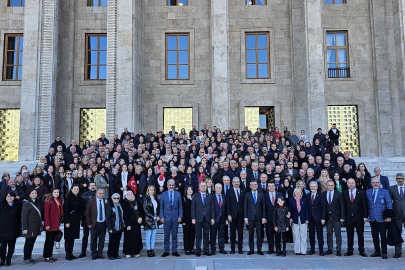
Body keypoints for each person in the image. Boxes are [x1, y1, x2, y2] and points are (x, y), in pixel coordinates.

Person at [366, 177, 392, 259]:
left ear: (380, 183)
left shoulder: (385, 192)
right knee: (374, 236)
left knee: (383, 236)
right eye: (373, 182)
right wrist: (367, 216)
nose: (375, 184)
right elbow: (366, 205)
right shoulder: (367, 192)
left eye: (377, 182)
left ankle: (384, 252)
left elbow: (389, 204)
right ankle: (377, 251)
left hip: (382, 218)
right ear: (371, 184)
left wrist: (389, 216)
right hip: (372, 218)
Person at [342, 178, 368, 257]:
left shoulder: (361, 193)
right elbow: (343, 206)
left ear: (355, 183)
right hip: (349, 218)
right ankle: (350, 250)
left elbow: (365, 206)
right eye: (349, 183)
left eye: (352, 183)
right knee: (349, 235)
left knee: (360, 234)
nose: (351, 184)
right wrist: (343, 217)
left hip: (359, 218)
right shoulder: (344, 193)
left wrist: (365, 217)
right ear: (347, 184)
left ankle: (361, 250)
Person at [191, 181, 215, 257]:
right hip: (198, 218)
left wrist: (212, 218)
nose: (203, 187)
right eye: (202, 186)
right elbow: (193, 208)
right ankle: (198, 250)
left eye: (204, 186)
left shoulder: (210, 196)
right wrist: (193, 218)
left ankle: (206, 250)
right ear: (199, 187)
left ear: (207, 186)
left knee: (206, 235)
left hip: (207, 218)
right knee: (198, 235)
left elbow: (212, 208)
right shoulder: (196, 195)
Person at [160, 180, 182, 257]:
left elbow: (180, 206)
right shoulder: (163, 194)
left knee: (175, 235)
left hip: (175, 218)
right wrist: (161, 217)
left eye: (172, 185)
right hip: (166, 218)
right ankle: (166, 250)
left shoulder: (178, 194)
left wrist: (180, 216)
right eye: (170, 185)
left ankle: (174, 250)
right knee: (166, 235)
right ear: (167, 186)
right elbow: (161, 207)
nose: (171, 186)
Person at [323, 180, 345, 256]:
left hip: (337, 217)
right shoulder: (323, 194)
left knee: (338, 234)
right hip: (327, 218)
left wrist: (342, 217)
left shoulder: (339, 194)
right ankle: (330, 249)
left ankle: (338, 250)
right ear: (326, 186)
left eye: (332, 185)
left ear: (334, 186)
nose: (330, 186)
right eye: (329, 185)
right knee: (329, 234)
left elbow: (342, 206)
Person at [85, 189, 109, 260]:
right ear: (96, 194)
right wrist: (89, 223)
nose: (101, 194)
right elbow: (87, 213)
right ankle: (94, 254)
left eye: (102, 193)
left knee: (102, 239)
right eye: (100, 193)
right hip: (94, 223)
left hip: (103, 223)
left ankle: (100, 253)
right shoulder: (91, 202)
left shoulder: (107, 201)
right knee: (93, 239)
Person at [244, 180, 266, 255]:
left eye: (255, 184)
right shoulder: (247, 194)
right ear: (250, 186)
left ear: (257, 186)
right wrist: (245, 218)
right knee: (251, 234)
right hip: (250, 217)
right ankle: (251, 250)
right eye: (252, 185)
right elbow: (245, 207)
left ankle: (259, 249)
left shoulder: (261, 194)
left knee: (259, 234)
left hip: (259, 218)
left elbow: (263, 207)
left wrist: (263, 217)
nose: (254, 186)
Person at [0, 191, 22, 266]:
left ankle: (8, 260)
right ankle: (2, 259)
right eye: (8, 196)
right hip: (3, 229)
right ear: (5, 197)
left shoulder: (18, 204)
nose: (9, 198)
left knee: (11, 246)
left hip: (14, 228)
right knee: (2, 246)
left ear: (14, 197)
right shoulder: (1, 205)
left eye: (11, 196)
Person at [21, 189, 42, 265]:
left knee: (32, 242)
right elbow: (24, 217)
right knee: (28, 243)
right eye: (32, 193)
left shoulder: (37, 202)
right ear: (29, 194)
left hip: (35, 226)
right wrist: (25, 228)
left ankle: (29, 257)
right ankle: (26, 258)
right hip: (29, 227)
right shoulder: (27, 203)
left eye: (35, 193)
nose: (34, 194)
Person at [64, 185, 84, 260]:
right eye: (74, 189)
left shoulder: (80, 198)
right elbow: (66, 211)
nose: (76, 190)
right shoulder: (68, 198)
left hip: (76, 220)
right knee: (68, 238)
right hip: (70, 220)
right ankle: (67, 254)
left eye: (77, 189)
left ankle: (71, 253)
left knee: (73, 237)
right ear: (71, 189)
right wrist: (67, 222)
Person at [306, 181, 326, 256]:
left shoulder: (321, 196)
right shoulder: (307, 196)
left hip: (319, 218)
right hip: (310, 219)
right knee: (311, 235)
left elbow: (324, 208)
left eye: (314, 186)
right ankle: (312, 249)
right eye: (311, 186)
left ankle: (321, 250)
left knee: (320, 235)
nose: (313, 188)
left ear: (317, 187)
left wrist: (323, 218)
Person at [43, 188, 63, 263]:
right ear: (52, 192)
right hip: (50, 224)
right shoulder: (49, 200)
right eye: (55, 192)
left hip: (56, 223)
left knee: (51, 241)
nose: (56, 193)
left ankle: (50, 255)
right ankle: (47, 256)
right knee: (48, 240)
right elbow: (46, 213)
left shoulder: (58, 200)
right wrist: (47, 224)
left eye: (58, 192)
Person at [226, 177, 245, 254]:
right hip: (232, 215)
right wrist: (229, 214)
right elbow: (227, 204)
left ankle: (240, 248)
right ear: (232, 183)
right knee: (232, 233)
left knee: (240, 232)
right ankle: (232, 248)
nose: (236, 183)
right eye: (235, 182)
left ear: (239, 183)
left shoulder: (243, 191)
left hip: (241, 215)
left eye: (238, 182)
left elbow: (245, 204)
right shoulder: (229, 191)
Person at [122, 190, 143, 258]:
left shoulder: (137, 202)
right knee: (128, 238)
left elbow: (141, 211)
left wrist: (140, 217)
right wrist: (127, 224)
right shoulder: (125, 203)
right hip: (129, 223)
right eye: (129, 194)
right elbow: (124, 215)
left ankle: (136, 252)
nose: (131, 195)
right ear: (126, 196)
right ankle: (128, 252)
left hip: (136, 222)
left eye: (131, 194)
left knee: (136, 237)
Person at [389, 173, 405, 258]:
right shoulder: (392, 188)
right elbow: (389, 202)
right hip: (397, 214)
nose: (400, 180)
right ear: (396, 179)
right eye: (398, 178)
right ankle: (398, 252)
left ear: (404, 179)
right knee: (397, 233)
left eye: (401, 178)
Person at [264, 182, 282, 254]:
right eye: (269, 186)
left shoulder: (280, 194)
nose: (271, 187)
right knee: (269, 234)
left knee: (278, 234)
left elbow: (284, 205)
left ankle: (278, 248)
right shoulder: (264, 195)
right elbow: (263, 207)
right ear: (267, 187)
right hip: (268, 218)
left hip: (278, 218)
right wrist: (264, 217)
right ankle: (270, 248)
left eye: (272, 186)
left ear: (275, 187)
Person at [289, 188, 309, 255]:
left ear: (301, 193)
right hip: (295, 220)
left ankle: (303, 250)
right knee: (296, 235)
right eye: (296, 192)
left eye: (299, 192)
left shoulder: (304, 200)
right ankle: (297, 250)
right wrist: (290, 218)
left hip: (303, 219)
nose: (297, 193)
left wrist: (307, 219)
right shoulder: (291, 200)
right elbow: (289, 210)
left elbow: (307, 210)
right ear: (294, 193)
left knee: (303, 236)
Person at [79, 181, 96, 258]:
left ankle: (94, 252)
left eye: (94, 185)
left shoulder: (99, 194)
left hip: (95, 219)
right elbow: (81, 207)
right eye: (91, 185)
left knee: (94, 236)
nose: (93, 187)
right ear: (88, 187)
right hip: (86, 218)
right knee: (85, 235)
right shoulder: (84, 195)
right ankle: (83, 252)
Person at [106, 193, 125, 260]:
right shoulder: (110, 206)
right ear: (112, 199)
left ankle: (116, 254)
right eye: (115, 198)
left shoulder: (120, 206)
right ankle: (110, 254)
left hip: (119, 226)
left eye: (117, 198)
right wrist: (109, 228)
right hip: (113, 226)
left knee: (117, 241)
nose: (116, 199)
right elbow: (108, 218)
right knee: (112, 241)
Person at [143, 185, 160, 257]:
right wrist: (152, 216)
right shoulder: (146, 199)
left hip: (155, 217)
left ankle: (152, 249)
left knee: (153, 235)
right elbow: (145, 209)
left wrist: (158, 216)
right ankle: (148, 250)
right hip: (149, 218)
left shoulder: (156, 198)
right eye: (150, 190)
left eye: (153, 190)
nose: (152, 191)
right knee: (148, 235)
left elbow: (158, 208)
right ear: (148, 191)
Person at [211, 183, 227, 255]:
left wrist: (226, 218)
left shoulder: (224, 196)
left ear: (221, 189)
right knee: (213, 235)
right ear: (214, 189)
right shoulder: (212, 197)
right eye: (217, 188)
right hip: (214, 219)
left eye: (219, 188)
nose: (218, 189)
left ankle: (221, 248)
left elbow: (226, 208)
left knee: (221, 235)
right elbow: (211, 208)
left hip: (222, 218)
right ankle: (213, 249)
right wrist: (212, 218)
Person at [182, 186, 195, 255]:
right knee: (186, 235)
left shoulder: (194, 198)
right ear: (186, 191)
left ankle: (191, 248)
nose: (190, 191)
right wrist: (183, 221)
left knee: (192, 234)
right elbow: (183, 210)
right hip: (186, 220)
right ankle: (187, 249)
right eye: (188, 190)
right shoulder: (184, 199)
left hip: (193, 220)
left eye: (191, 189)